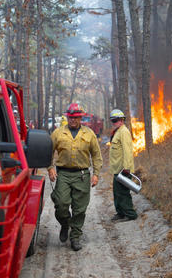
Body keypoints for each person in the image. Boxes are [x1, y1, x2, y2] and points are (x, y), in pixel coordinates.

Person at [48, 103, 102, 251]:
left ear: (80, 118)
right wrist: (50, 168)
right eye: (70, 117)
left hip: (82, 175)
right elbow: (48, 151)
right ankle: (65, 224)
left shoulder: (89, 134)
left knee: (79, 209)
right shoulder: (58, 133)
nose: (72, 120)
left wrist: (96, 174)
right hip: (63, 174)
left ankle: (75, 236)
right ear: (67, 117)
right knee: (61, 204)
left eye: (76, 117)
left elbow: (96, 155)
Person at [109, 109, 138, 222]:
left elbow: (127, 151)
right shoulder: (117, 132)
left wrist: (127, 168)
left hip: (123, 170)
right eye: (112, 120)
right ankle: (120, 213)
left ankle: (130, 214)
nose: (114, 122)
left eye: (116, 120)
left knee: (123, 193)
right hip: (117, 169)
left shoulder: (124, 132)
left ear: (121, 120)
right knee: (117, 192)